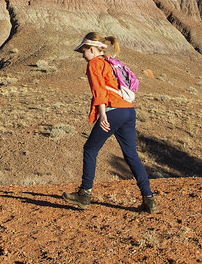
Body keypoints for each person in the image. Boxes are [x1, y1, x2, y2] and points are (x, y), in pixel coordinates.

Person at [63, 32, 157, 213]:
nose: (83, 55)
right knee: (131, 155)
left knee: (90, 149)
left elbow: (99, 91)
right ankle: (149, 200)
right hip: (128, 110)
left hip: (113, 111)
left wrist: (102, 114)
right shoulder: (109, 61)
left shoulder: (94, 63)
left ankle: (84, 195)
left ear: (92, 49)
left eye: (84, 51)